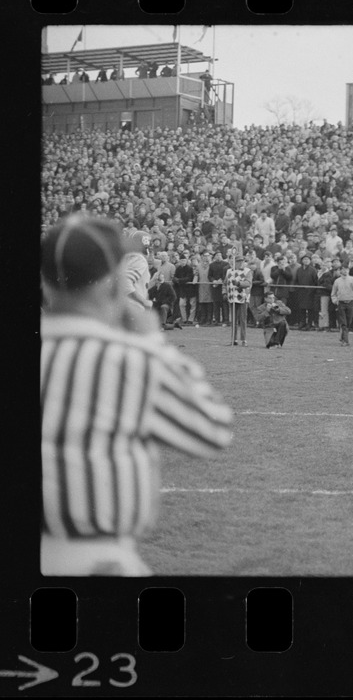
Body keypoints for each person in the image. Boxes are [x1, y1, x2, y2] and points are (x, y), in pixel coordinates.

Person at [40, 216, 232, 576]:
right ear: (110, 284)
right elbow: (213, 428)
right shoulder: (128, 360)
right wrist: (152, 341)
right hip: (97, 561)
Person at [330, 264, 353, 346]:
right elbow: (333, 293)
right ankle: (346, 341)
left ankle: (342, 337)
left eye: (346, 269)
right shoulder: (337, 281)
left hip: (351, 302)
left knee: (349, 322)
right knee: (343, 322)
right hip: (341, 303)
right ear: (340, 271)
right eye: (343, 269)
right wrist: (335, 301)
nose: (345, 271)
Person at [225, 254, 252, 346]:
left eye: (242, 261)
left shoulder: (247, 271)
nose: (240, 263)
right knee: (233, 320)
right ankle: (234, 339)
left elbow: (248, 283)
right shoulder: (229, 271)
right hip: (232, 297)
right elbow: (225, 283)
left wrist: (239, 283)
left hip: (243, 297)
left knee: (243, 319)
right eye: (238, 261)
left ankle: (244, 339)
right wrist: (224, 293)